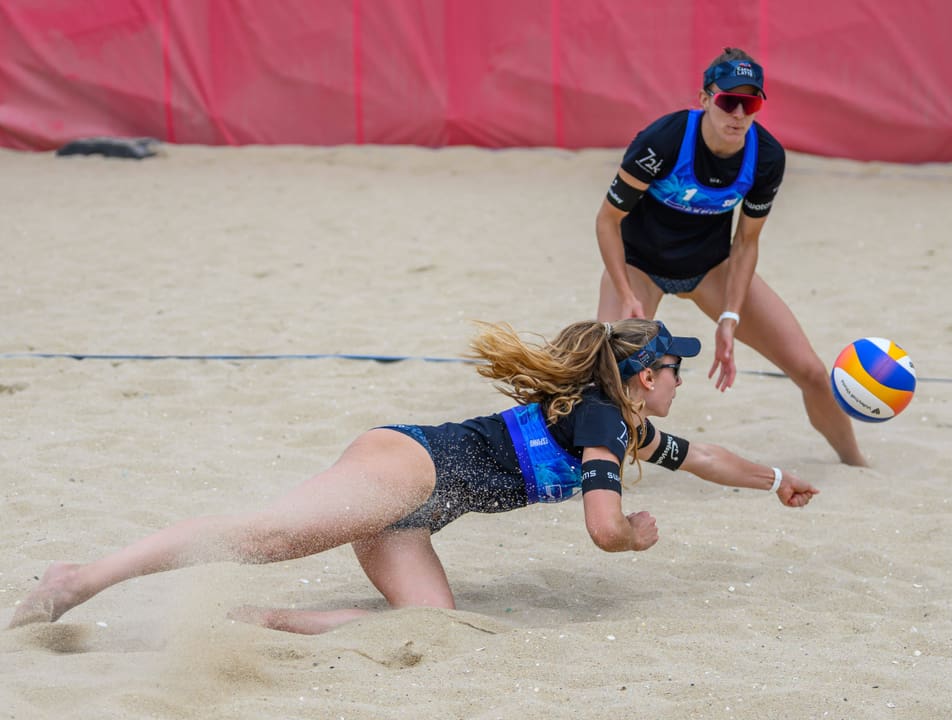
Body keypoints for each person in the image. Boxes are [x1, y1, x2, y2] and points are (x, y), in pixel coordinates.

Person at [8, 318, 818, 636]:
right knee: (269, 535)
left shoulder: (623, 424)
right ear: (645, 379)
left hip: (415, 511)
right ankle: (79, 578)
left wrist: (776, 475)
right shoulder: (605, 421)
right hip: (409, 468)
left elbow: (706, 459)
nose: (678, 383)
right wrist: (635, 540)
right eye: (672, 371)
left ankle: (247, 622)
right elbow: (605, 530)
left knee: (432, 626)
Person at [595, 47, 866, 467]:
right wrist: (627, 292)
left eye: (750, 102)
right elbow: (607, 220)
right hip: (639, 268)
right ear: (706, 99)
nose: (738, 113)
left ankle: (856, 466)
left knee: (811, 371)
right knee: (609, 380)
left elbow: (746, 243)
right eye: (728, 100)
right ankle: (592, 474)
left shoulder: (766, 156)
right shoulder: (661, 141)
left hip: (710, 270)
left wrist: (730, 318)